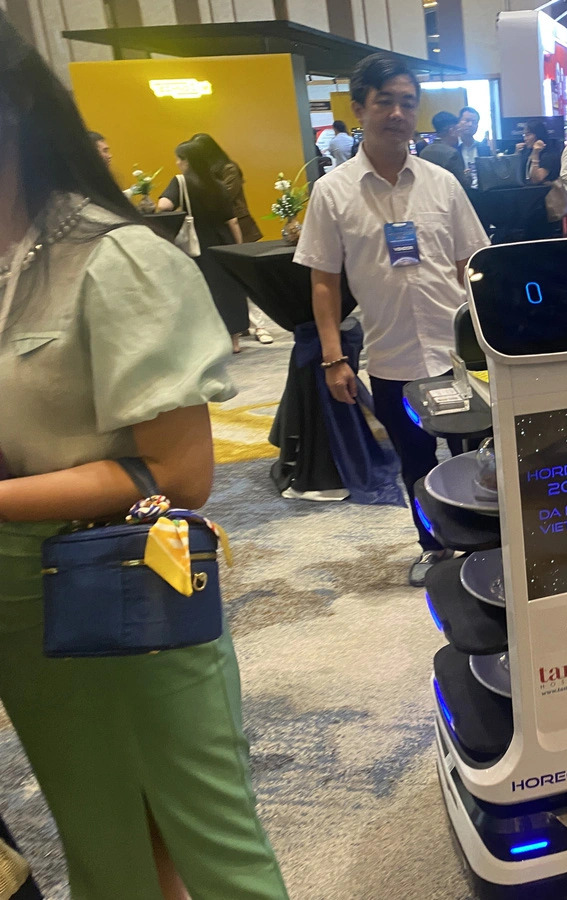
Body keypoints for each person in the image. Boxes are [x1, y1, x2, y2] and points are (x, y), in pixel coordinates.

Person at [0, 12, 289, 896]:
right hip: (14, 602)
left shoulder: (111, 255)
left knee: (208, 841)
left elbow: (180, 475)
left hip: (118, 580)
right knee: (102, 840)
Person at [295, 53, 489, 587]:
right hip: (391, 355)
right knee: (415, 460)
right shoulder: (332, 192)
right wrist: (335, 358)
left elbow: (471, 264)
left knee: (474, 454)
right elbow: (323, 281)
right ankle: (435, 546)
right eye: (386, 102)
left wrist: (492, 337)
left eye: (408, 102)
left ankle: (482, 543)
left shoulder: (441, 183)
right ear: (359, 108)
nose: (398, 113)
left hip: (457, 355)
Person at [157, 139, 248, 352]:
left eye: (179, 158)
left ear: (187, 161)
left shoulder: (181, 182)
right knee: (227, 289)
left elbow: (164, 206)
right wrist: (238, 246)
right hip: (223, 241)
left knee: (205, 289)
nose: (177, 163)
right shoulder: (217, 184)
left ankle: (209, 339)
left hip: (198, 242)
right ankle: (234, 340)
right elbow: (232, 220)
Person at [189, 132, 274, 345]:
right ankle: (240, 325)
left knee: (244, 282)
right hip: (216, 231)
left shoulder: (229, 169)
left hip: (238, 228)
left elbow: (224, 195)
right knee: (227, 283)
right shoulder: (203, 174)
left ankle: (260, 325)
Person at [419, 110, 469, 188]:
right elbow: (462, 185)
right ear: (451, 131)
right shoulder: (452, 154)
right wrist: (468, 175)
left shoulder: (424, 152)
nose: (459, 135)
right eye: (457, 130)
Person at [519, 117, 562, 186]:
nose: (525, 139)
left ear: (538, 135)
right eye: (524, 135)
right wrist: (516, 154)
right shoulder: (527, 152)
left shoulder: (550, 154)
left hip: (545, 194)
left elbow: (536, 179)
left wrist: (536, 154)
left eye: (528, 135)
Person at [456, 105, 490, 183]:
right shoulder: (452, 148)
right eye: (467, 120)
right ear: (458, 122)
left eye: (474, 122)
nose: (470, 124)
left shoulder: (484, 148)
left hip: (481, 191)